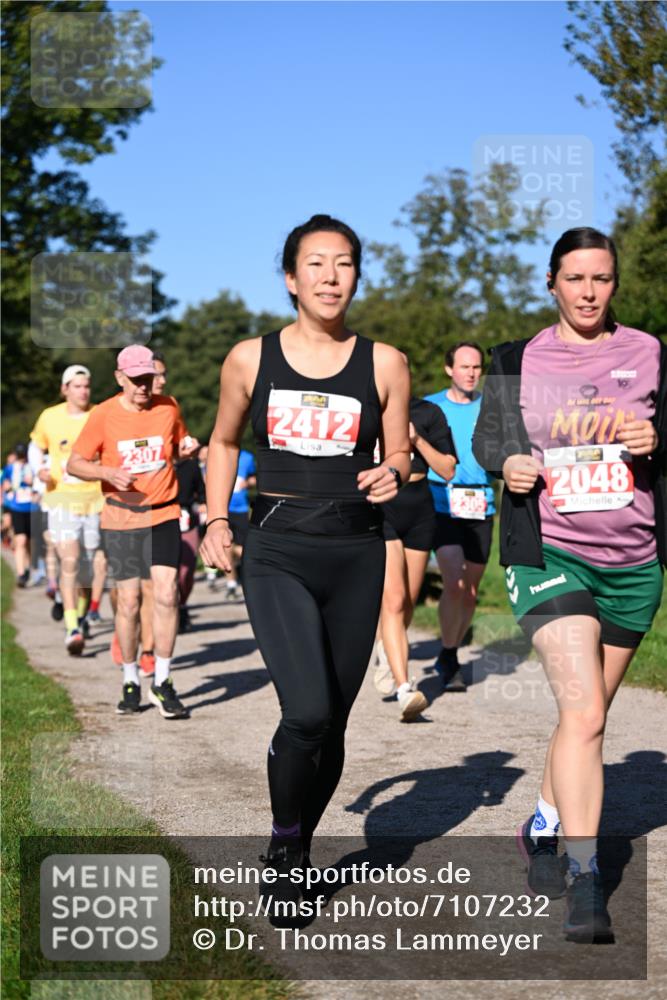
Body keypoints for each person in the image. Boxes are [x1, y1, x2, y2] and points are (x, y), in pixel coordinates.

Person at [200, 214, 410, 895]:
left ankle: (298, 839)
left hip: (356, 552)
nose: (330, 275)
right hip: (277, 549)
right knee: (308, 712)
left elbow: (400, 451)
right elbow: (224, 442)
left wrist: (395, 472)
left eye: (343, 262)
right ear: (291, 277)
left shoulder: (385, 362)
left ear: (356, 275)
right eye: (315, 263)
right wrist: (213, 518)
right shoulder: (249, 357)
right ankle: (285, 850)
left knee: (334, 720)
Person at [472, 227, 666, 942]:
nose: (588, 292)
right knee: (584, 715)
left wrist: (657, 440)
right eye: (575, 278)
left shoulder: (649, 353)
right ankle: (587, 879)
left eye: (601, 279)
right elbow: (488, 440)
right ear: (550, 282)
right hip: (549, 555)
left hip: (633, 563)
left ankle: (544, 824)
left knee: (585, 718)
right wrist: (510, 466)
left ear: (614, 284)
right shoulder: (515, 359)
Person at [67, 345, 199, 718]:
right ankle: (129, 679)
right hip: (122, 517)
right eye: (137, 380)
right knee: (127, 603)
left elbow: (176, 446)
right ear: (120, 378)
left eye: (149, 378)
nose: (145, 386)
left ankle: (162, 679)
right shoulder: (103, 415)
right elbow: (76, 463)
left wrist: (187, 449)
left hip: (163, 513)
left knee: (167, 595)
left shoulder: (168, 406)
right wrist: (107, 473)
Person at [375, 392, 457, 720]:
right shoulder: (368, 408)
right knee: (393, 599)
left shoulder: (428, 412)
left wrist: (415, 439)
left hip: (420, 507)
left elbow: (448, 469)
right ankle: (404, 687)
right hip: (382, 506)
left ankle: (387, 646)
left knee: (408, 600)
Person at [425, 343, 496, 691]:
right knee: (453, 579)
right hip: (441, 500)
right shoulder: (429, 406)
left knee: (470, 590)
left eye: (477, 367)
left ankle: (448, 648)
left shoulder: (492, 408)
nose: (471, 373)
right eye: (464, 366)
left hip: (481, 503)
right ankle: (449, 655)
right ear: (448, 369)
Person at [29, 365, 105, 654]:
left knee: (86, 567)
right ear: (65, 389)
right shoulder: (50, 417)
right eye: (76, 386)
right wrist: (40, 470)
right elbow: (36, 447)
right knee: (70, 561)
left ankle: (82, 613)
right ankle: (72, 627)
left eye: (86, 385)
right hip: (61, 498)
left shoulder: (100, 415)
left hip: (95, 500)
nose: (83, 390)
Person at [1, 444, 36, 588]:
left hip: (32, 507)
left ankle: (27, 568)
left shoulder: (33, 467)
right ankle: (21, 574)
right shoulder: (10, 468)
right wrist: (7, 486)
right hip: (17, 507)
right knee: (20, 540)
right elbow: (4, 483)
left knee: (28, 542)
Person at [224, 448, 256, 600]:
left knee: (241, 547)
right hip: (223, 509)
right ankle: (231, 583)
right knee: (226, 545)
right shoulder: (220, 452)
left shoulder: (248, 457)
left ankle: (244, 572)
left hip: (241, 508)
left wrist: (248, 482)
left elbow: (255, 478)